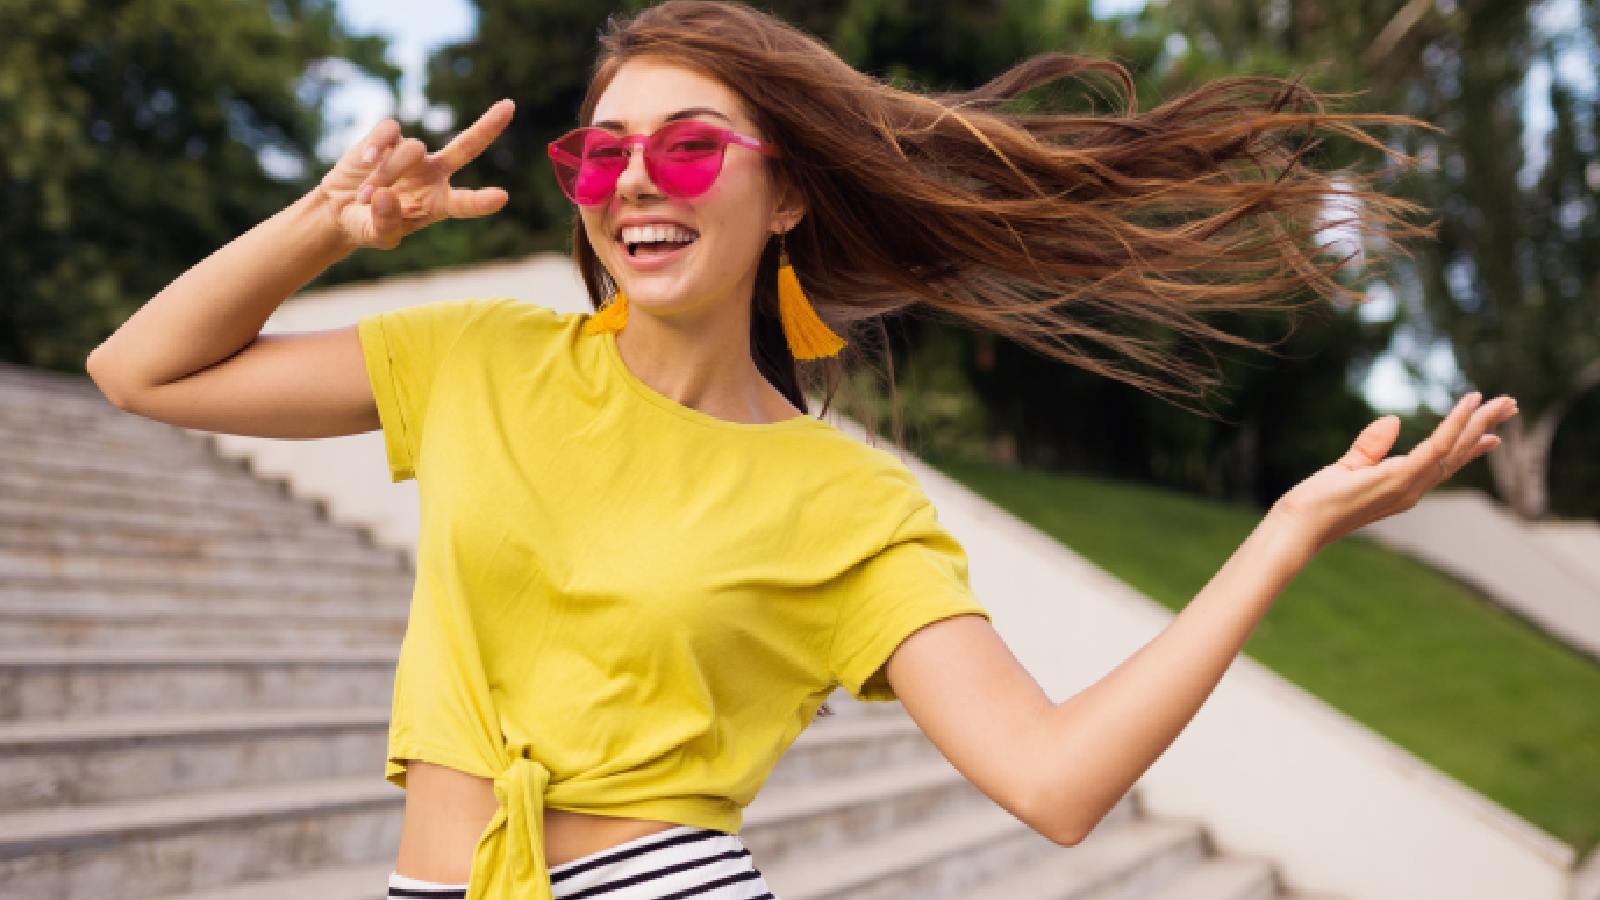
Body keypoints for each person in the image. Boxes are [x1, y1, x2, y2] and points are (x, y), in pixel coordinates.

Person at [84, 2, 1519, 899]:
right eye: (603, 152)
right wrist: (328, 225)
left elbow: (1058, 783)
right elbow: (138, 370)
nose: (636, 177)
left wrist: (1283, 536)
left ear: (785, 201)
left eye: (693, 146)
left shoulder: (845, 503)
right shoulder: (480, 358)